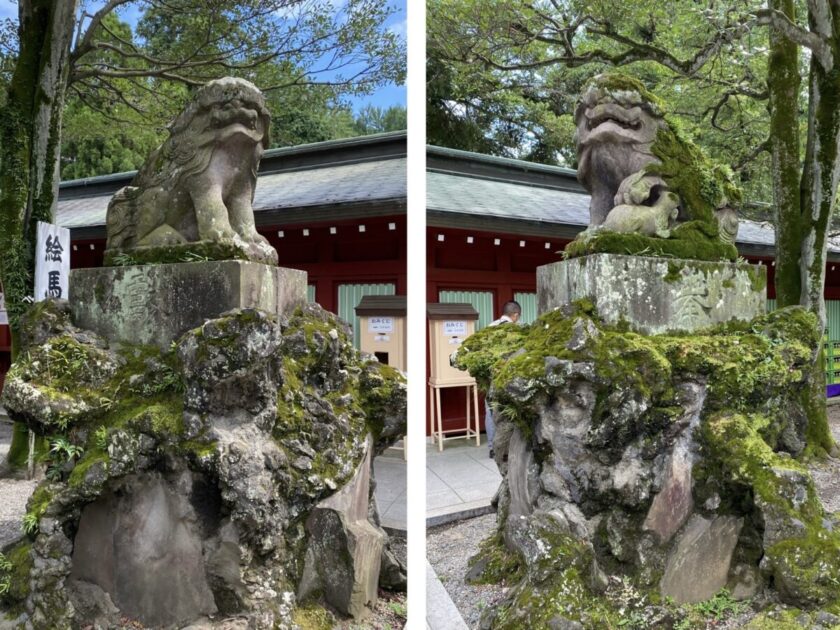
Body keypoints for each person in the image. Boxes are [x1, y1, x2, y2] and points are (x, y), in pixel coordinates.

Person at [484, 300, 522, 458]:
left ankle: (493, 447)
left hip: (489, 376)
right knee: (506, 412)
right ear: (515, 315)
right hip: (508, 376)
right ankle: (508, 445)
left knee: (490, 410)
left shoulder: (490, 327)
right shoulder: (515, 330)